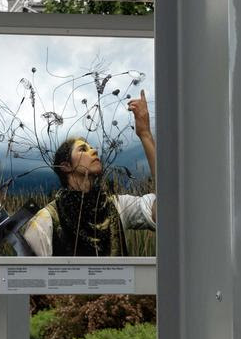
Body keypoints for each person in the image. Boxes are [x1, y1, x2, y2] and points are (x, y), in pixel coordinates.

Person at [16, 91, 157, 256]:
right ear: (66, 166)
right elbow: (34, 277)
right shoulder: (46, 221)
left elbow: (168, 208)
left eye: (92, 147)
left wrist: (145, 134)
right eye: (83, 149)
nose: (94, 151)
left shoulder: (117, 207)